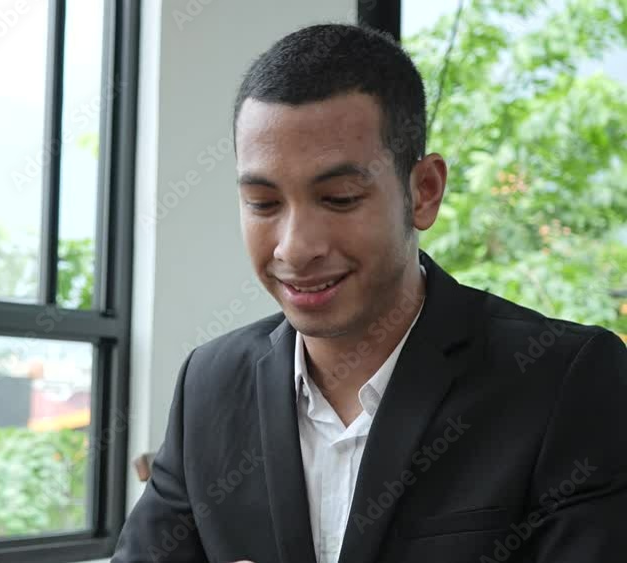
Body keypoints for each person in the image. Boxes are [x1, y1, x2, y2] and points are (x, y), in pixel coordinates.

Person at [112, 23, 627, 563]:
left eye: (339, 198)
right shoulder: (209, 385)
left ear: (423, 191)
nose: (294, 247)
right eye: (263, 204)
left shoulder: (561, 380)